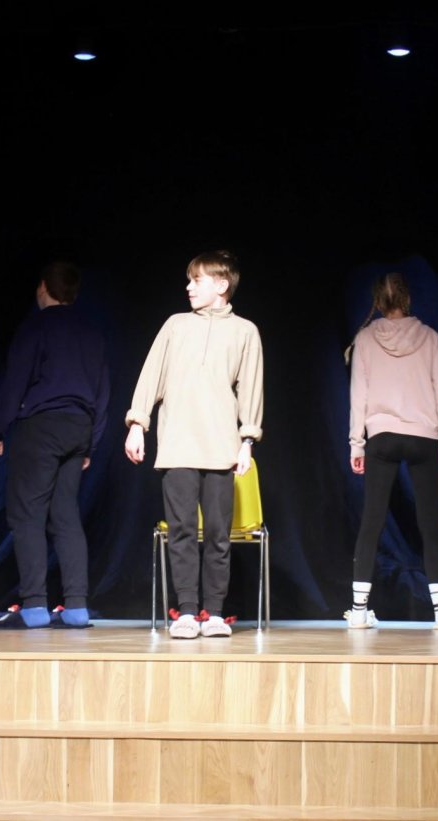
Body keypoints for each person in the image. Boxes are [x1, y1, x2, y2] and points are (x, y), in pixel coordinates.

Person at [125, 250, 263, 639]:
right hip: (178, 444)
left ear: (221, 284)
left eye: (196, 280)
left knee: (218, 534)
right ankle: (186, 611)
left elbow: (251, 388)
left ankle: (214, 612)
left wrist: (247, 440)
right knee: (182, 531)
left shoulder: (245, 331)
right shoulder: (175, 325)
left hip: (221, 446)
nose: (188, 287)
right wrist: (137, 423)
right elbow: (151, 375)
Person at [0, 261, 110, 629]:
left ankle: (35, 606)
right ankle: (76, 608)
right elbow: (103, 393)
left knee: (27, 514)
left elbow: (15, 384)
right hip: (79, 428)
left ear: (43, 287)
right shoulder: (92, 333)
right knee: (65, 514)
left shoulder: (36, 327)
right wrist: (90, 445)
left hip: (41, 427)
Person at [346, 272, 438, 629]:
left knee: (371, 522)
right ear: (407, 299)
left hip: (381, 437)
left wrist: (357, 442)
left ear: (377, 302)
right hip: (422, 436)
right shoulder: (429, 337)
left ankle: (358, 612)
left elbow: (358, 396)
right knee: (430, 524)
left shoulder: (365, 339)